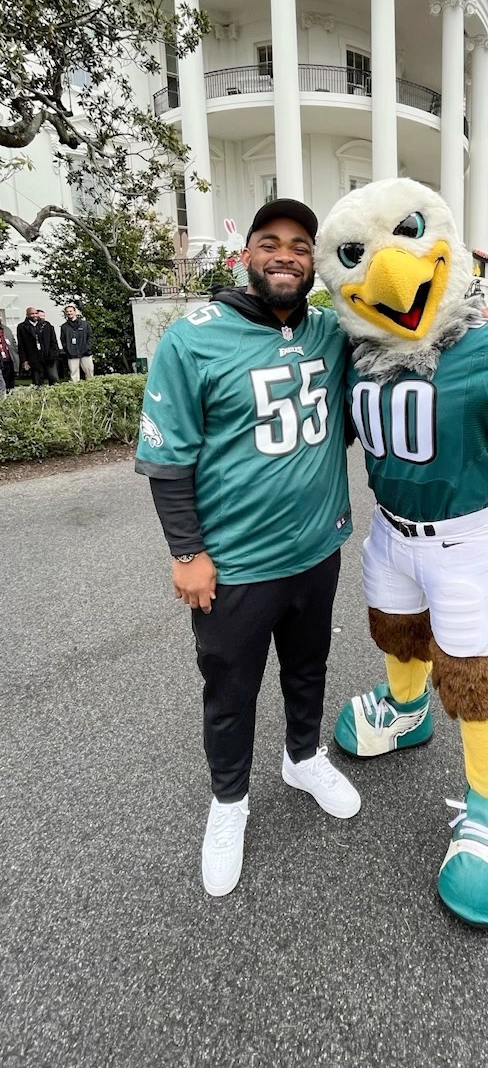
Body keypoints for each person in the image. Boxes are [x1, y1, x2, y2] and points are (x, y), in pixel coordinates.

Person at [135, 198, 360, 899]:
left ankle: (302, 756)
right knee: (230, 692)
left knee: (308, 668)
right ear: (247, 255)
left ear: (314, 258)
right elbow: (169, 460)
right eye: (271, 242)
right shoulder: (193, 338)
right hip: (234, 565)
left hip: (317, 550)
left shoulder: (333, 332)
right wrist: (186, 552)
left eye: (300, 243)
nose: (287, 254)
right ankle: (228, 803)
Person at [16, 306, 60, 386]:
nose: (35, 315)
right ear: (27, 315)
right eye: (32, 314)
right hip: (33, 357)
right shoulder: (22, 327)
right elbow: (21, 345)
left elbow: (53, 341)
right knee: (37, 380)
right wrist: (24, 360)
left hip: (48, 355)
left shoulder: (46, 325)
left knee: (53, 378)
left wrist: (54, 353)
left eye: (36, 313)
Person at [60, 304, 94, 380]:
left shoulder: (85, 324)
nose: (69, 313)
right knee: (73, 373)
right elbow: (63, 340)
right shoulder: (64, 327)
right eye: (67, 312)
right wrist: (68, 349)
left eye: (71, 311)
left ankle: (92, 389)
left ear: (75, 312)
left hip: (85, 353)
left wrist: (87, 348)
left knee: (89, 372)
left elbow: (90, 337)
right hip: (72, 354)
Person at [0, 318, 19, 394]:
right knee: (1, 384)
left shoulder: (6, 330)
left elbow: (13, 343)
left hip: (8, 359)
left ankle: (9, 400)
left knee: (9, 383)